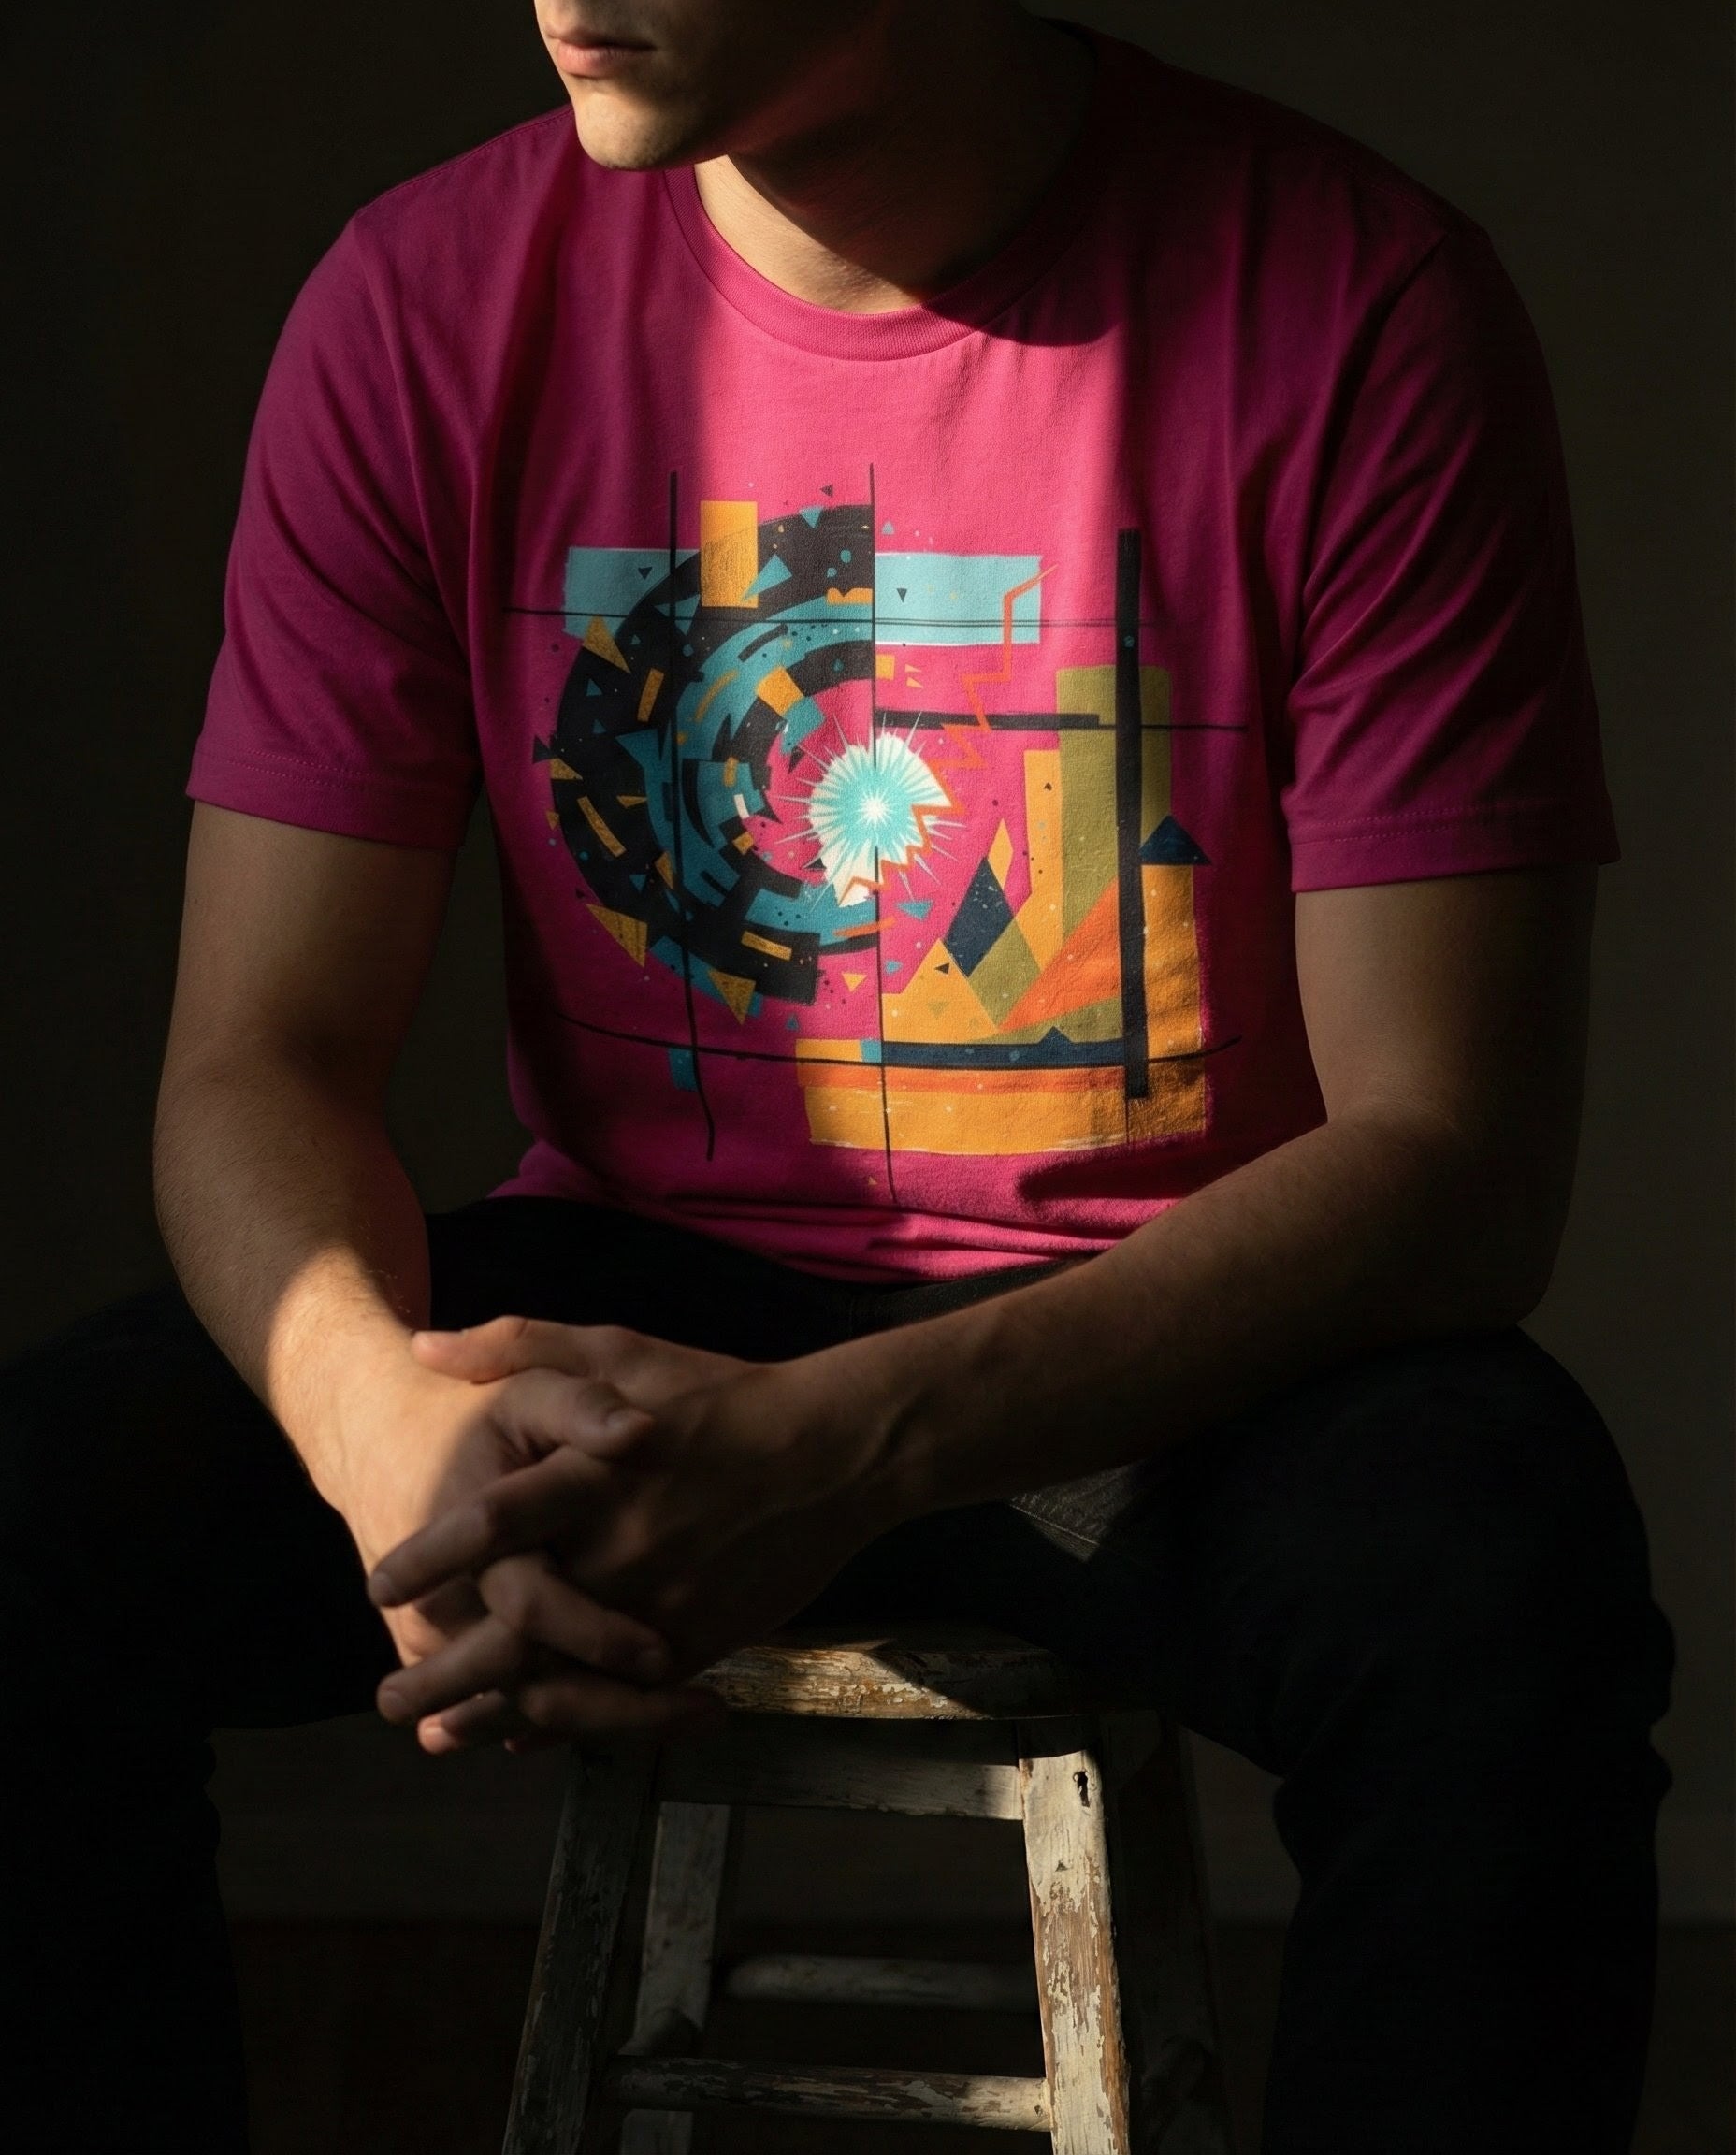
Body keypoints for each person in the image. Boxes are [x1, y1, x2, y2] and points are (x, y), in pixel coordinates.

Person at [1, 4, 1675, 2148]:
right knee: (17, 1532)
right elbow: (257, 1056)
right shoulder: (421, 299)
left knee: (1499, 1589)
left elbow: (1455, 1161)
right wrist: (374, 1429)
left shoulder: (1353, 303)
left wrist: (821, 1455)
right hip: (627, 1287)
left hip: (1160, 1341)